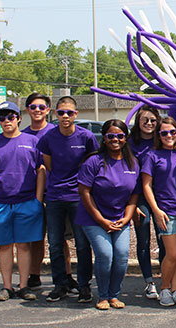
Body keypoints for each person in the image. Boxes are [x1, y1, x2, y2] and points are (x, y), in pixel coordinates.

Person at [0, 101, 45, 302]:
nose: (6, 121)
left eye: (10, 117)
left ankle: (23, 286)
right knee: (5, 246)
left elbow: (41, 170)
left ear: (18, 118)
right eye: (1, 118)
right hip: (0, 203)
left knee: (24, 246)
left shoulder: (32, 141)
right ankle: (6, 287)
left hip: (27, 202)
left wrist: (38, 199)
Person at [75, 119, 140, 311]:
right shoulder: (93, 161)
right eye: (111, 136)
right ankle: (102, 295)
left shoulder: (133, 163)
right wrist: (100, 220)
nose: (115, 139)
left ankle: (114, 295)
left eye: (120, 136)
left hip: (120, 217)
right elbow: (84, 192)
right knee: (105, 254)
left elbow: (134, 195)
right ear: (104, 138)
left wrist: (127, 217)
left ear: (125, 138)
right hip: (93, 218)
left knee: (121, 255)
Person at [38, 96, 97, 304]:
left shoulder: (87, 137)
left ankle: (84, 286)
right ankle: (60, 285)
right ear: (55, 113)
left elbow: (93, 163)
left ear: (76, 114)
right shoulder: (48, 138)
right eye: (61, 112)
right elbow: (49, 165)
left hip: (79, 197)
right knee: (55, 243)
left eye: (69, 113)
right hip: (54, 196)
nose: (65, 116)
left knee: (82, 244)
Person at [141, 117, 176, 307]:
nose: (169, 136)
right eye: (164, 133)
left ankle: (175, 289)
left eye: (173, 132)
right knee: (171, 253)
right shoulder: (152, 155)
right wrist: (155, 210)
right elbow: (146, 185)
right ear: (159, 135)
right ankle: (164, 288)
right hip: (166, 212)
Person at [21, 92, 55, 290]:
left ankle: (66, 276)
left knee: (59, 239)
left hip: (55, 193)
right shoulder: (23, 135)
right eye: (33, 107)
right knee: (35, 237)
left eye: (41, 107)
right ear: (27, 110)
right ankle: (34, 274)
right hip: (29, 195)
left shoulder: (55, 132)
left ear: (48, 110)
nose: (37, 111)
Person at [128, 105, 162, 299]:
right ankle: (148, 281)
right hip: (139, 197)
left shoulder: (163, 140)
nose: (149, 123)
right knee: (143, 240)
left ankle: (166, 279)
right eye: (145, 120)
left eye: (152, 120)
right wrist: (130, 205)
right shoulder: (131, 144)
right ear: (138, 122)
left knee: (163, 239)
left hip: (162, 197)